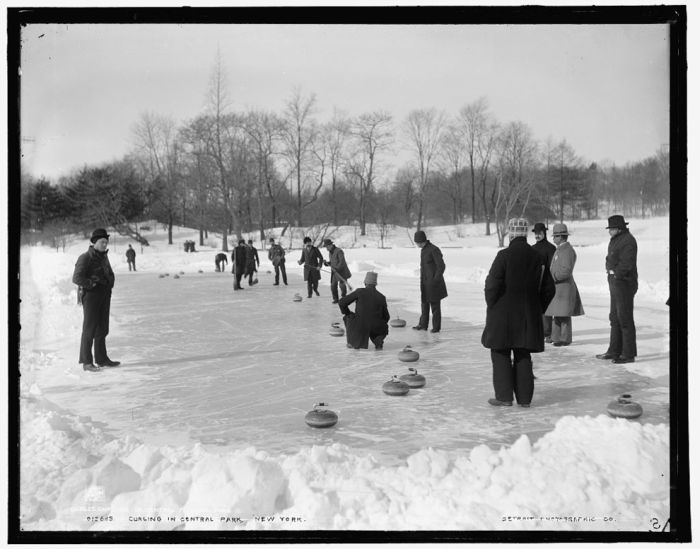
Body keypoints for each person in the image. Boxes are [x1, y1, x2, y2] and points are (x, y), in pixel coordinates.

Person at [481, 218, 555, 407]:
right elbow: (549, 289)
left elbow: (491, 285)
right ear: (525, 234)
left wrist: (492, 305)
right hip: (527, 316)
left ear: (512, 234)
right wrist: (537, 307)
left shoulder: (503, 256)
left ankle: (504, 397)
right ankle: (524, 400)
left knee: (500, 353)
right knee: (523, 354)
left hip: (503, 315)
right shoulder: (537, 257)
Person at [71, 228, 120, 372]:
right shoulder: (85, 257)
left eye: (106, 242)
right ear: (94, 242)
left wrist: (110, 282)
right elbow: (77, 278)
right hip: (91, 296)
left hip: (104, 295)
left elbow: (109, 273)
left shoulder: (104, 257)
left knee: (103, 328)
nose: (105, 245)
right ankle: (87, 362)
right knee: (90, 329)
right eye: (102, 242)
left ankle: (102, 359)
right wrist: (92, 283)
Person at [596, 215, 638, 364]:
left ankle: (628, 354)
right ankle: (614, 350)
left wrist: (615, 273)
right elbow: (610, 259)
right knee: (614, 317)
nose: (610, 231)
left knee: (624, 318)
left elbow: (627, 264)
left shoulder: (628, 241)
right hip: (615, 283)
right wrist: (610, 271)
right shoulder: (615, 240)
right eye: (609, 229)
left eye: (612, 229)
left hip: (625, 283)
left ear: (619, 228)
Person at [543, 223, 584, 346]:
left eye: (555, 236)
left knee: (564, 315)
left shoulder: (567, 251)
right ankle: (556, 337)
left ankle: (564, 338)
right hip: (558, 289)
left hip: (564, 288)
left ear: (561, 237)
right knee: (557, 313)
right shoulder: (560, 249)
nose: (553, 238)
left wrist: (553, 277)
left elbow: (566, 271)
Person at [338, 271, 390, 350]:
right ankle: (378, 341)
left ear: (365, 282)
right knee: (379, 324)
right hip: (376, 327)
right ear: (375, 284)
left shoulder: (360, 292)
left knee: (348, 317)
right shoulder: (381, 297)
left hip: (360, 326)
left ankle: (353, 341)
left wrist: (348, 313)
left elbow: (342, 302)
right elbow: (386, 317)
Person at [412, 230, 447, 333]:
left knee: (435, 306)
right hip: (425, 283)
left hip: (433, 284)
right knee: (424, 303)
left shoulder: (434, 250)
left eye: (417, 242)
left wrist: (435, 280)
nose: (417, 245)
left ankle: (436, 327)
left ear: (422, 241)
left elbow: (441, 266)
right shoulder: (423, 250)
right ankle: (423, 325)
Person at [531, 222, 556, 343]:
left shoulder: (551, 248)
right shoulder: (532, 248)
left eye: (539, 233)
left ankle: (547, 332)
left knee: (546, 309)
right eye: (535, 233)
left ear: (544, 233)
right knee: (538, 308)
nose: (537, 235)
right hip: (535, 283)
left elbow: (553, 266)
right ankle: (541, 331)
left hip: (548, 283)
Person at [322, 238, 352, 304]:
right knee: (333, 285)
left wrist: (337, 268)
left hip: (341, 271)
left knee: (342, 285)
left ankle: (344, 297)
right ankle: (336, 299)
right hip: (334, 272)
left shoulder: (339, 251)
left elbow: (342, 262)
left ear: (330, 245)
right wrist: (327, 263)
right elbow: (333, 262)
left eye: (326, 247)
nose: (326, 248)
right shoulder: (330, 252)